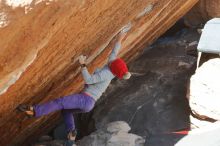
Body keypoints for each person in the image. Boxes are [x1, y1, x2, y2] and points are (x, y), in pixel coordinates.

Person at [17, 30, 131, 141]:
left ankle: (35, 110)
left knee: (60, 102)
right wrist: (120, 38)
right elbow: (114, 53)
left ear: (113, 68)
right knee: (66, 111)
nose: (111, 61)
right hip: (88, 104)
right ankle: (71, 132)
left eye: (112, 62)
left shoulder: (106, 74)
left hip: (85, 99)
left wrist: (83, 65)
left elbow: (89, 79)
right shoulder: (113, 67)